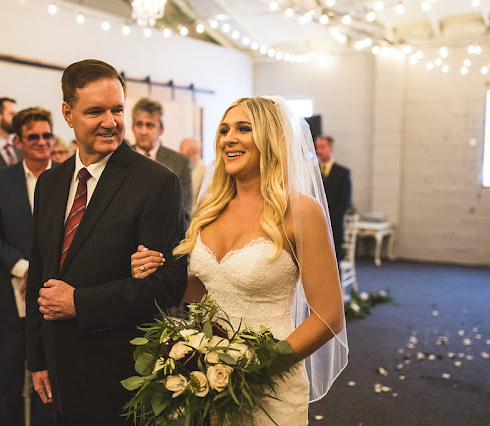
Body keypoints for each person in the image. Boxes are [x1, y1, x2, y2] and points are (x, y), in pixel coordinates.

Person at [131, 97, 349, 425]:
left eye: (243, 129)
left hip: (271, 381)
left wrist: (258, 367)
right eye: (223, 130)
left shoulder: (300, 211)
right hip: (212, 378)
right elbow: (203, 292)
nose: (228, 138)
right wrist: (155, 270)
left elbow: (329, 316)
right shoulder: (209, 206)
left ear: (271, 138)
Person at [25, 59, 188, 425]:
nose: (111, 122)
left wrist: (79, 303)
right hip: (58, 368)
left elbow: (169, 285)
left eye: (117, 109)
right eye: (95, 111)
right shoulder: (50, 184)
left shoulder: (156, 183)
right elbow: (39, 273)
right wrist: (37, 358)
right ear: (68, 114)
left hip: (119, 374)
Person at [0, 107, 55, 426]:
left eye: (47, 135)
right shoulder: (0, 180)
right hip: (10, 292)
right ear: (18, 142)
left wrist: (44, 275)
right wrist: (26, 269)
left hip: (52, 295)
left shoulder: (67, 177)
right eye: (33, 137)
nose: (42, 142)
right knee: (8, 377)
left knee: (49, 382)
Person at [131, 97, 193, 221]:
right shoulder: (119, 158)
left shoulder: (180, 163)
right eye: (139, 124)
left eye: (150, 125)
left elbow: (184, 213)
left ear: (161, 129)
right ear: (132, 127)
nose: (143, 131)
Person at [315, 135, 351, 262]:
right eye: (317, 147)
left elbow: (345, 202)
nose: (319, 151)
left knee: (334, 260)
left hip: (334, 225)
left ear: (331, 148)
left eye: (322, 147)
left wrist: (329, 219)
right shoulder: (312, 172)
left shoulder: (342, 172)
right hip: (315, 223)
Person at [179, 137, 206, 216]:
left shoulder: (203, 170)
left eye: (182, 150)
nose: (178, 153)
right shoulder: (178, 166)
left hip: (194, 218)